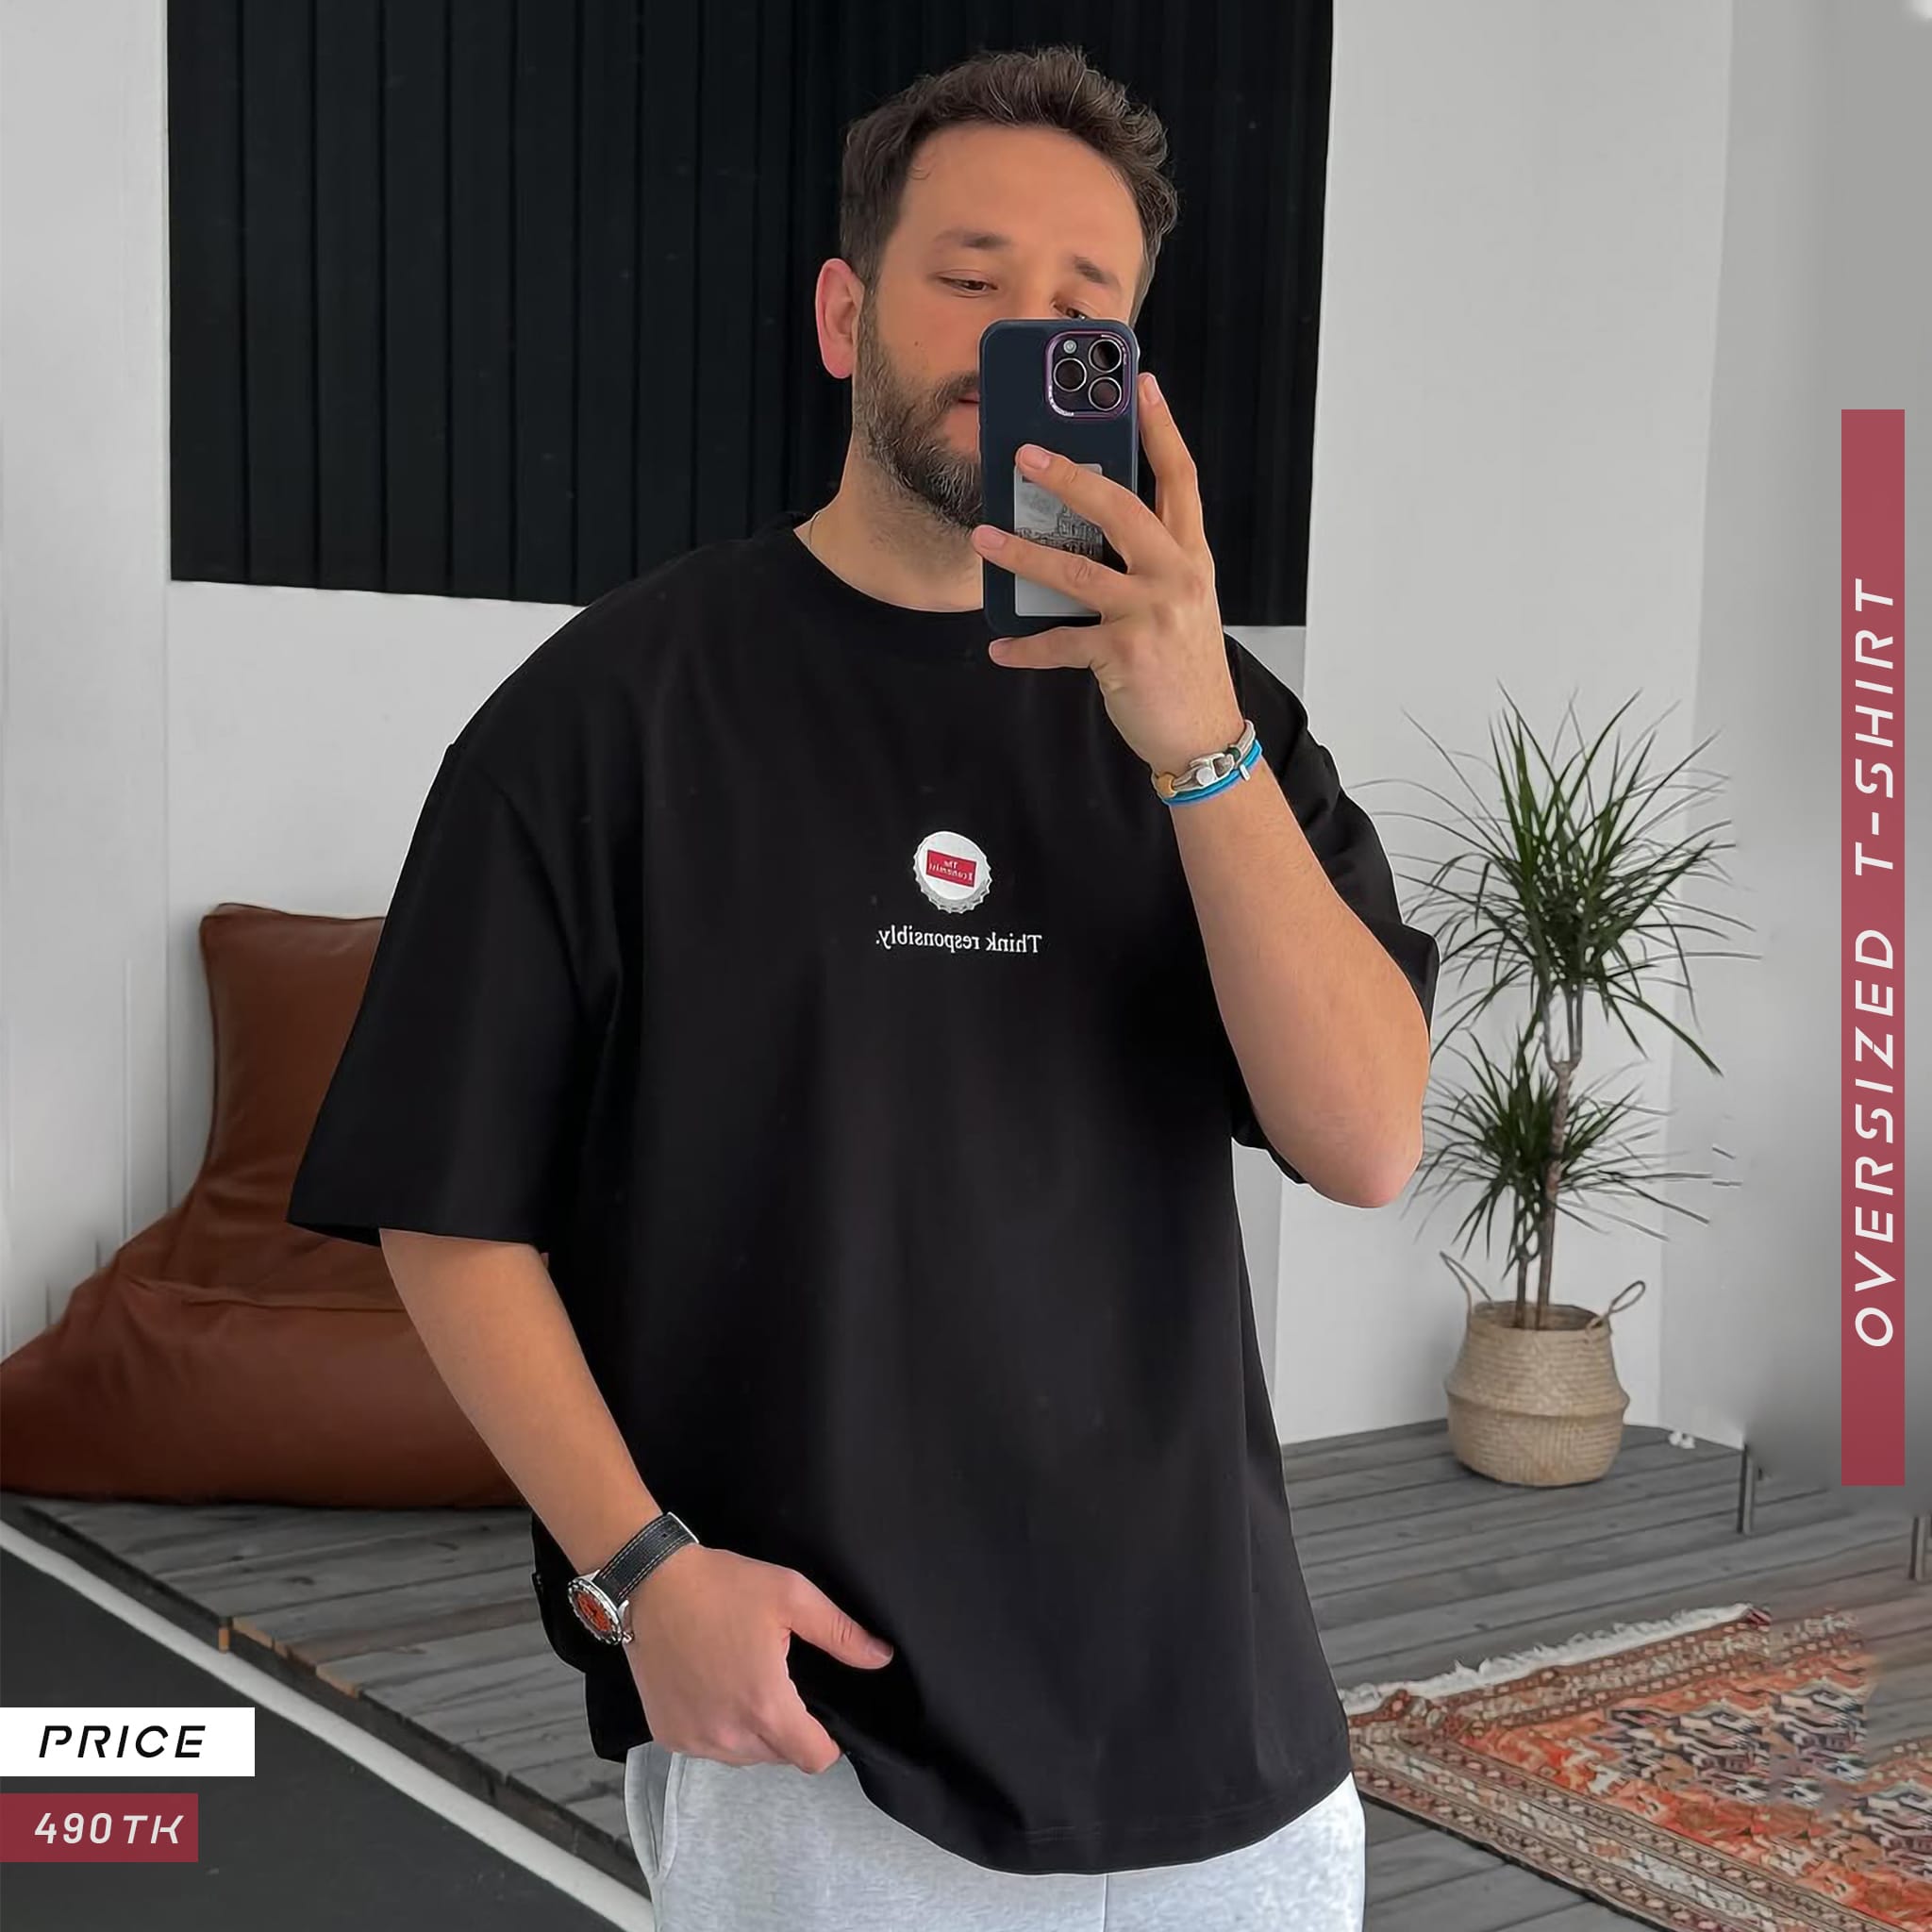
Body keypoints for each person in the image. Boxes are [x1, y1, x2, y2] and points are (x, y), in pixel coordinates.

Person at [287, 42, 1438, 1932]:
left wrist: (1198, 748)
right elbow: (449, 1210)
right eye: (968, 279)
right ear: (844, 315)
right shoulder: (611, 716)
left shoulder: (1219, 721)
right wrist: (641, 1574)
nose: (1020, 334)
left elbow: (1367, 1138)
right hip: (823, 1743)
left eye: (1081, 306)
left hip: (1225, 1734)